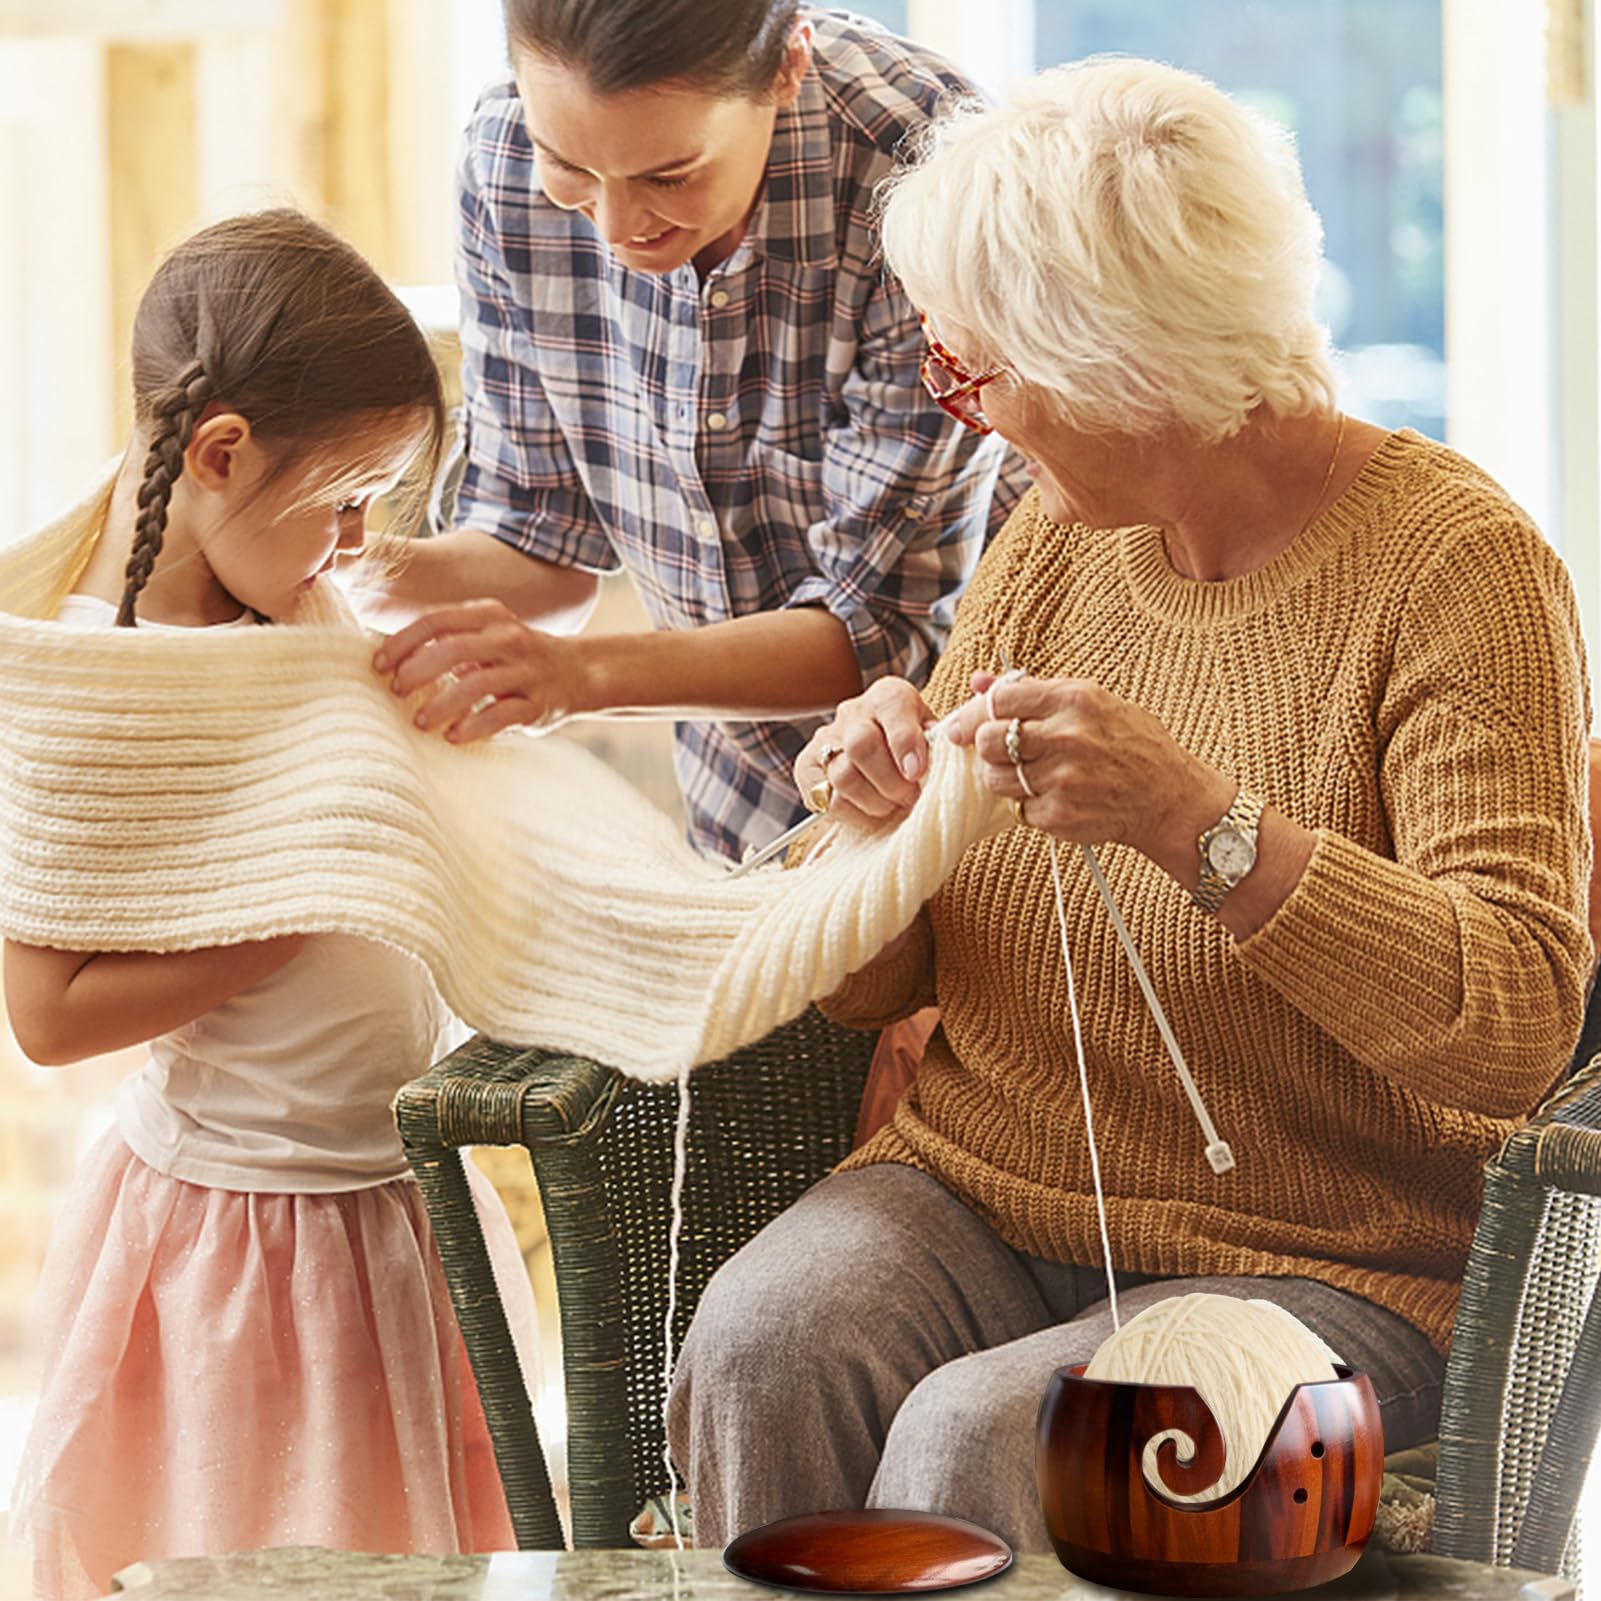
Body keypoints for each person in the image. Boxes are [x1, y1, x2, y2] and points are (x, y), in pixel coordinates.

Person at [667, 58, 1593, 1551]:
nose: (965, 420)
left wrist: (1198, 824)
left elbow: (1514, 1018)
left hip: (1338, 1272)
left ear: (1120, 363)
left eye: (979, 375)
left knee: (991, 1435)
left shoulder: (1457, 571)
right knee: (765, 1334)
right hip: (986, 1191)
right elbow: (889, 975)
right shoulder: (1053, 539)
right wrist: (870, 828)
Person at [4, 211, 541, 1601]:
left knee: (408, 1569)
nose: (363, 540)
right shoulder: (95, 679)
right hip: (238, 1245)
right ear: (222, 453)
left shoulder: (307, 619)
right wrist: (286, 914)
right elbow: (47, 1019)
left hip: (398, 1212)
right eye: (346, 499)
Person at [363, 0, 1026, 861]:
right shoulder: (500, 162)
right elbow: (539, 548)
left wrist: (581, 679)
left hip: (964, 764)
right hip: (738, 787)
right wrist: (335, 565)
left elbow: (875, 631)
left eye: (669, 176)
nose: (615, 225)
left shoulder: (919, 163)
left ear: (788, 64)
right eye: (567, 165)